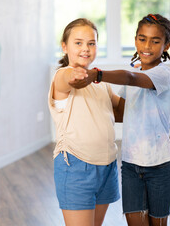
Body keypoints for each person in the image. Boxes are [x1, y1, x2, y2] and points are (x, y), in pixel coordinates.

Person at [70, 13, 170, 226]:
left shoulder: (163, 75)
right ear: (135, 39)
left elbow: (131, 78)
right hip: (130, 166)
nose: (147, 45)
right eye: (142, 38)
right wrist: (91, 95)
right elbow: (120, 113)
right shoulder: (134, 75)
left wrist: (97, 75)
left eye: (156, 41)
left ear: (166, 46)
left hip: (161, 166)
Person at [47, 18, 123, 226]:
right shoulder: (62, 76)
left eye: (91, 43)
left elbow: (123, 111)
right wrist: (75, 75)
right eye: (78, 43)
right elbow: (67, 79)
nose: (86, 48)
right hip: (76, 167)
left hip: (107, 166)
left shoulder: (100, 83)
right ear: (64, 46)